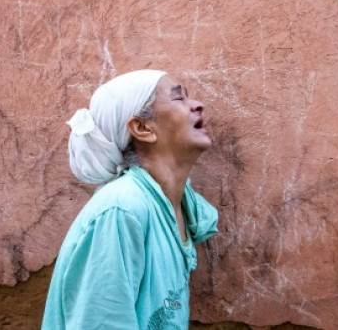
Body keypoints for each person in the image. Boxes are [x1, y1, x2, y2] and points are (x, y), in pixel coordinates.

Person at [42, 69, 218, 330]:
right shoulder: (122, 209)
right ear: (143, 128)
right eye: (179, 98)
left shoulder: (177, 206)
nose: (197, 105)